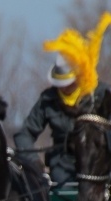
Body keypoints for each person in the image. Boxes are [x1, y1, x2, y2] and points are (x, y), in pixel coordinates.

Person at [14, 54, 110, 187]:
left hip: (97, 164)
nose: (63, 88)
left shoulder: (101, 94)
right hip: (62, 166)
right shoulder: (48, 99)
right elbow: (24, 134)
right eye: (59, 84)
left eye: (68, 83)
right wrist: (34, 162)